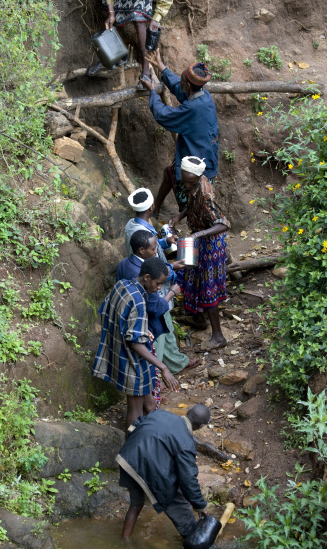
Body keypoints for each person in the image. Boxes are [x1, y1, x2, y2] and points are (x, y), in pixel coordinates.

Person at [92, 256, 179, 429]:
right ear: (147, 277)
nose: (159, 288)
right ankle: (131, 448)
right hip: (133, 363)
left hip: (118, 354)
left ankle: (151, 437)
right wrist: (163, 368)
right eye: (158, 283)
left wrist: (139, 327)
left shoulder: (122, 285)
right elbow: (136, 344)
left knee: (150, 405)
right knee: (136, 411)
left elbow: (105, 311)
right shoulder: (139, 301)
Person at [124, 188, 200, 374]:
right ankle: (159, 373)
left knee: (166, 325)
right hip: (154, 288)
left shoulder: (133, 226)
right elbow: (150, 265)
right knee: (159, 327)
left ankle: (176, 362)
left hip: (151, 282)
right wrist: (173, 269)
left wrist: (164, 242)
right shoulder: (143, 234)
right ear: (152, 206)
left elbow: (149, 248)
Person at [141, 49, 219, 216]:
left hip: (197, 165)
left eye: (183, 79)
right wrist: (161, 66)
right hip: (204, 156)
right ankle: (157, 209)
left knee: (192, 207)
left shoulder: (192, 109)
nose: (181, 82)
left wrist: (153, 92)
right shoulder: (204, 96)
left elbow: (163, 115)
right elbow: (178, 87)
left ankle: (186, 230)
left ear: (189, 85)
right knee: (168, 173)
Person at [116, 404, 211, 540]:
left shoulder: (159, 413)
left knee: (136, 503)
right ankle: (193, 538)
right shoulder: (187, 443)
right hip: (143, 467)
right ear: (201, 426)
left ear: (188, 411)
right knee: (173, 494)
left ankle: (125, 540)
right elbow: (188, 479)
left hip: (126, 459)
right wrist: (200, 506)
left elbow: (136, 424)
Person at [170, 156, 230, 350]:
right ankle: (197, 317)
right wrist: (179, 216)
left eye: (189, 181)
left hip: (211, 243)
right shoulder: (193, 185)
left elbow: (223, 224)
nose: (186, 184)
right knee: (191, 274)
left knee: (207, 285)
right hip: (200, 238)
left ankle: (218, 336)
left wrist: (199, 234)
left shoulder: (207, 194)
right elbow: (191, 205)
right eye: (184, 180)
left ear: (198, 176)